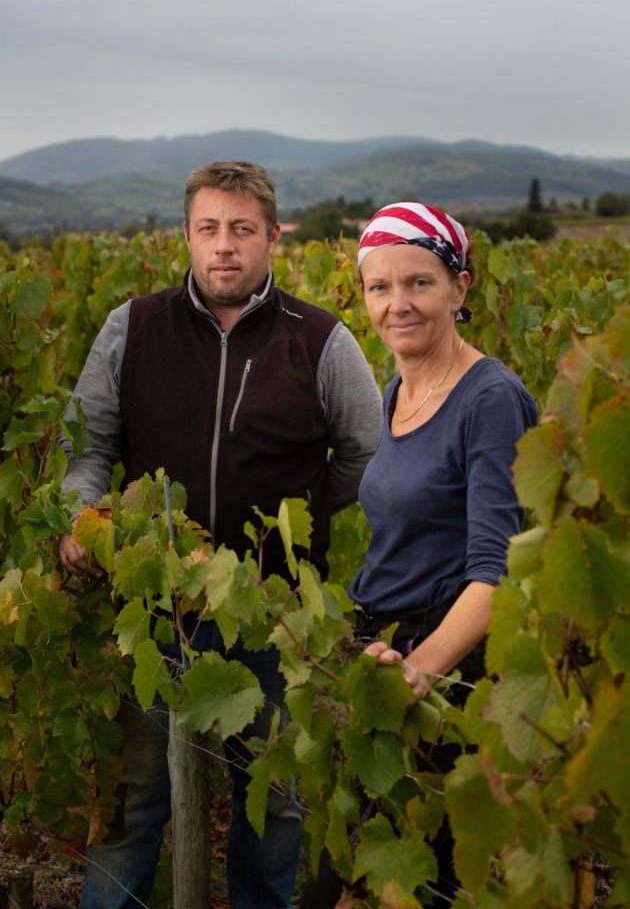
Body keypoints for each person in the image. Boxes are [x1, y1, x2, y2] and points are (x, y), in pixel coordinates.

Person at [58, 160, 384, 909]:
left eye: (242, 229)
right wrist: (84, 517)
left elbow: (366, 455)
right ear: (187, 236)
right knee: (133, 799)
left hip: (274, 615)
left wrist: (300, 515)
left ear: (273, 236)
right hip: (150, 608)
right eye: (209, 229)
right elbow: (90, 449)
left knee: (271, 807)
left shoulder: (322, 339)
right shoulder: (131, 326)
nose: (224, 246)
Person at [300, 201, 538, 907]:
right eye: (380, 286)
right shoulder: (399, 387)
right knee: (350, 877)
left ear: (460, 287)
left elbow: (496, 576)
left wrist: (418, 671)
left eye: (420, 282)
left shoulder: (489, 399)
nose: (397, 303)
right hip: (386, 653)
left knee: (398, 884)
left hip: (446, 677)